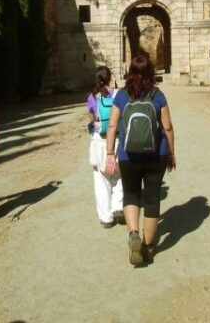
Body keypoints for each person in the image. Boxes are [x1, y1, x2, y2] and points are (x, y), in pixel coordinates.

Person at [105, 54, 175, 266]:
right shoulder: (158, 95)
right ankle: (146, 245)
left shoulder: (121, 96)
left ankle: (134, 233)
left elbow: (112, 126)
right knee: (152, 198)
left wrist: (110, 153)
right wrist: (171, 153)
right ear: (151, 73)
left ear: (130, 73)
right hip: (157, 154)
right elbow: (168, 127)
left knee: (131, 194)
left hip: (128, 155)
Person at [86, 66, 124, 228]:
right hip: (116, 139)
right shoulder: (118, 95)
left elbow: (91, 120)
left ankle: (106, 218)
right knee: (118, 176)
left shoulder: (92, 98)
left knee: (101, 180)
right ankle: (119, 209)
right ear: (110, 78)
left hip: (99, 141)